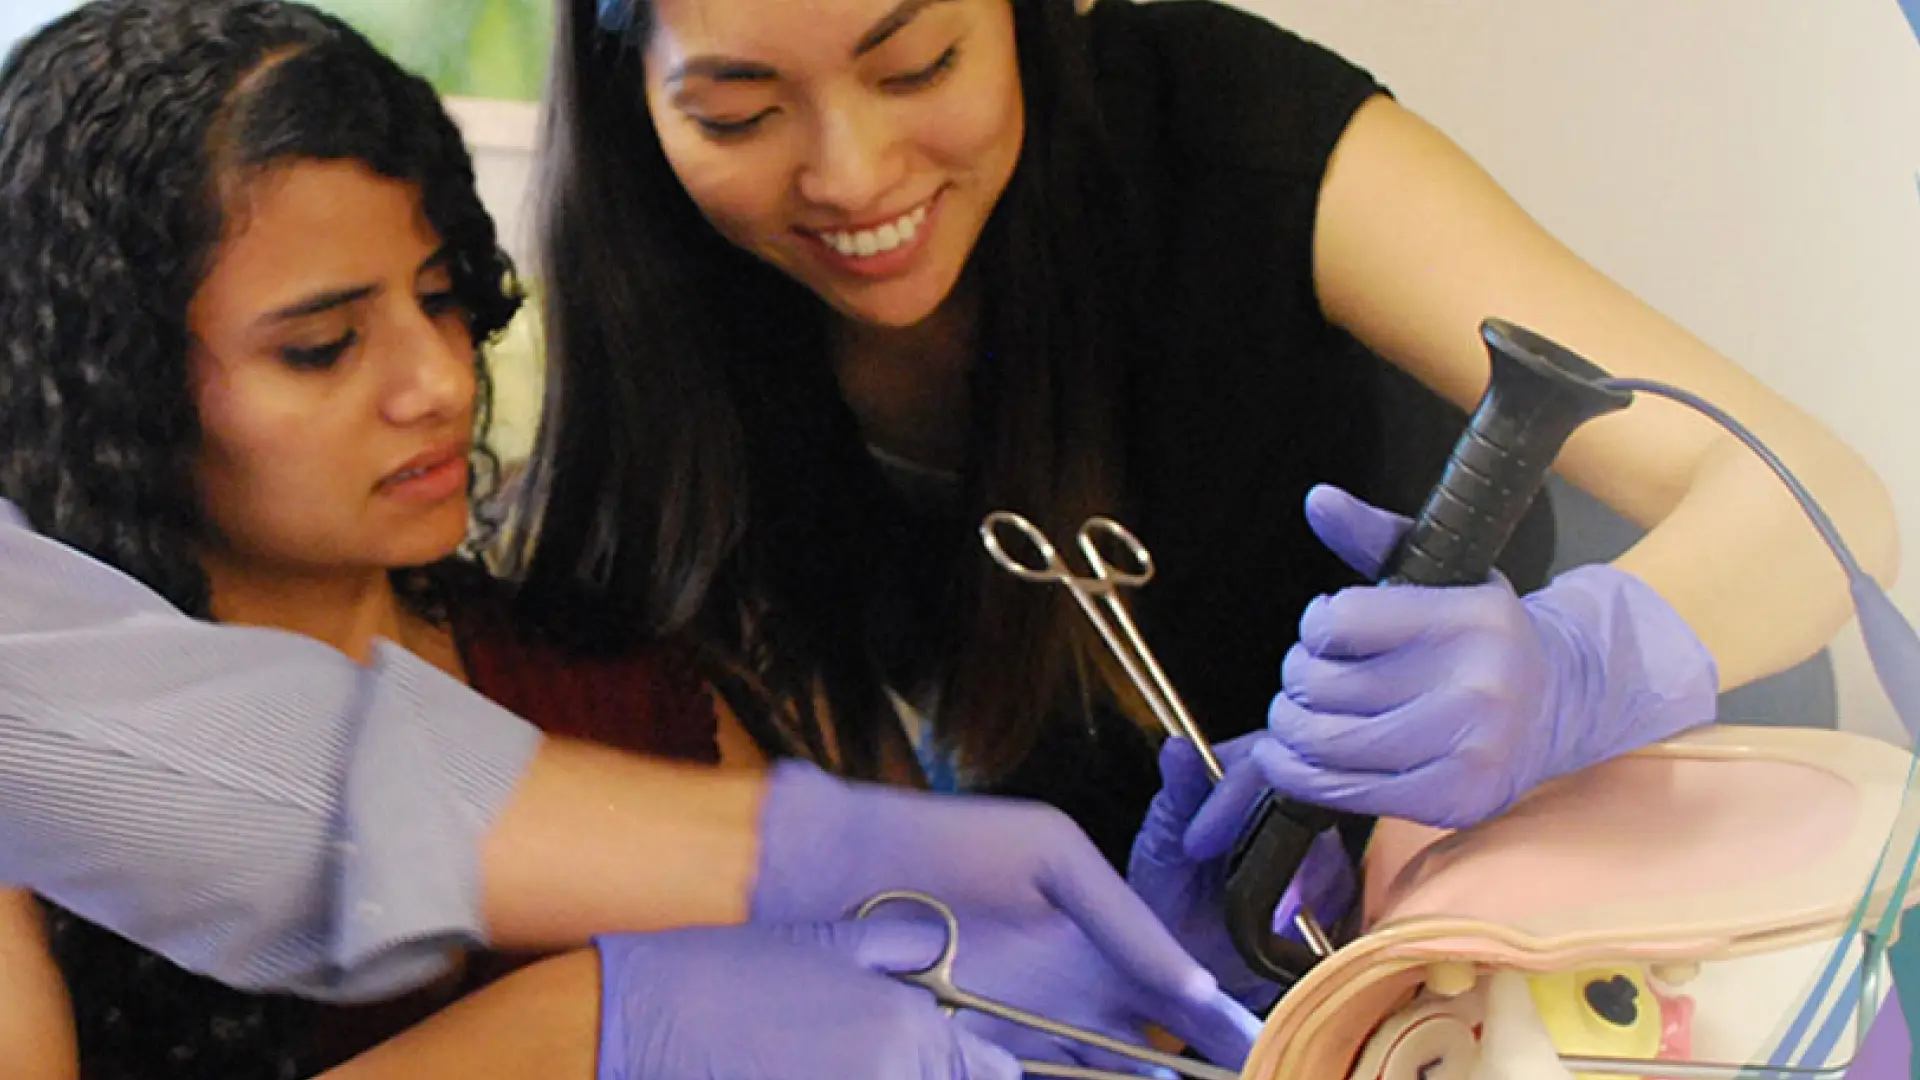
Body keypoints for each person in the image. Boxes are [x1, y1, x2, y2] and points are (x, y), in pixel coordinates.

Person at [0, 0, 1898, 1028]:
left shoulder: (1234, 134)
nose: (852, 177)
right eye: (740, 107)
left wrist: (1588, 659)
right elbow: (212, 772)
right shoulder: (662, 368)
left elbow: (1828, 497)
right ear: (625, 76)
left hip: (1557, 933)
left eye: (917, 62)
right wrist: (799, 914)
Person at [0, 2, 1256, 1078]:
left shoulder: (622, 684)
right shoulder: (34, 812)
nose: (436, 382)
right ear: (106, 385)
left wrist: (1130, 985)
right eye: (321, 348)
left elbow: (929, 1009)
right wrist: (586, 1022)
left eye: (445, 299)